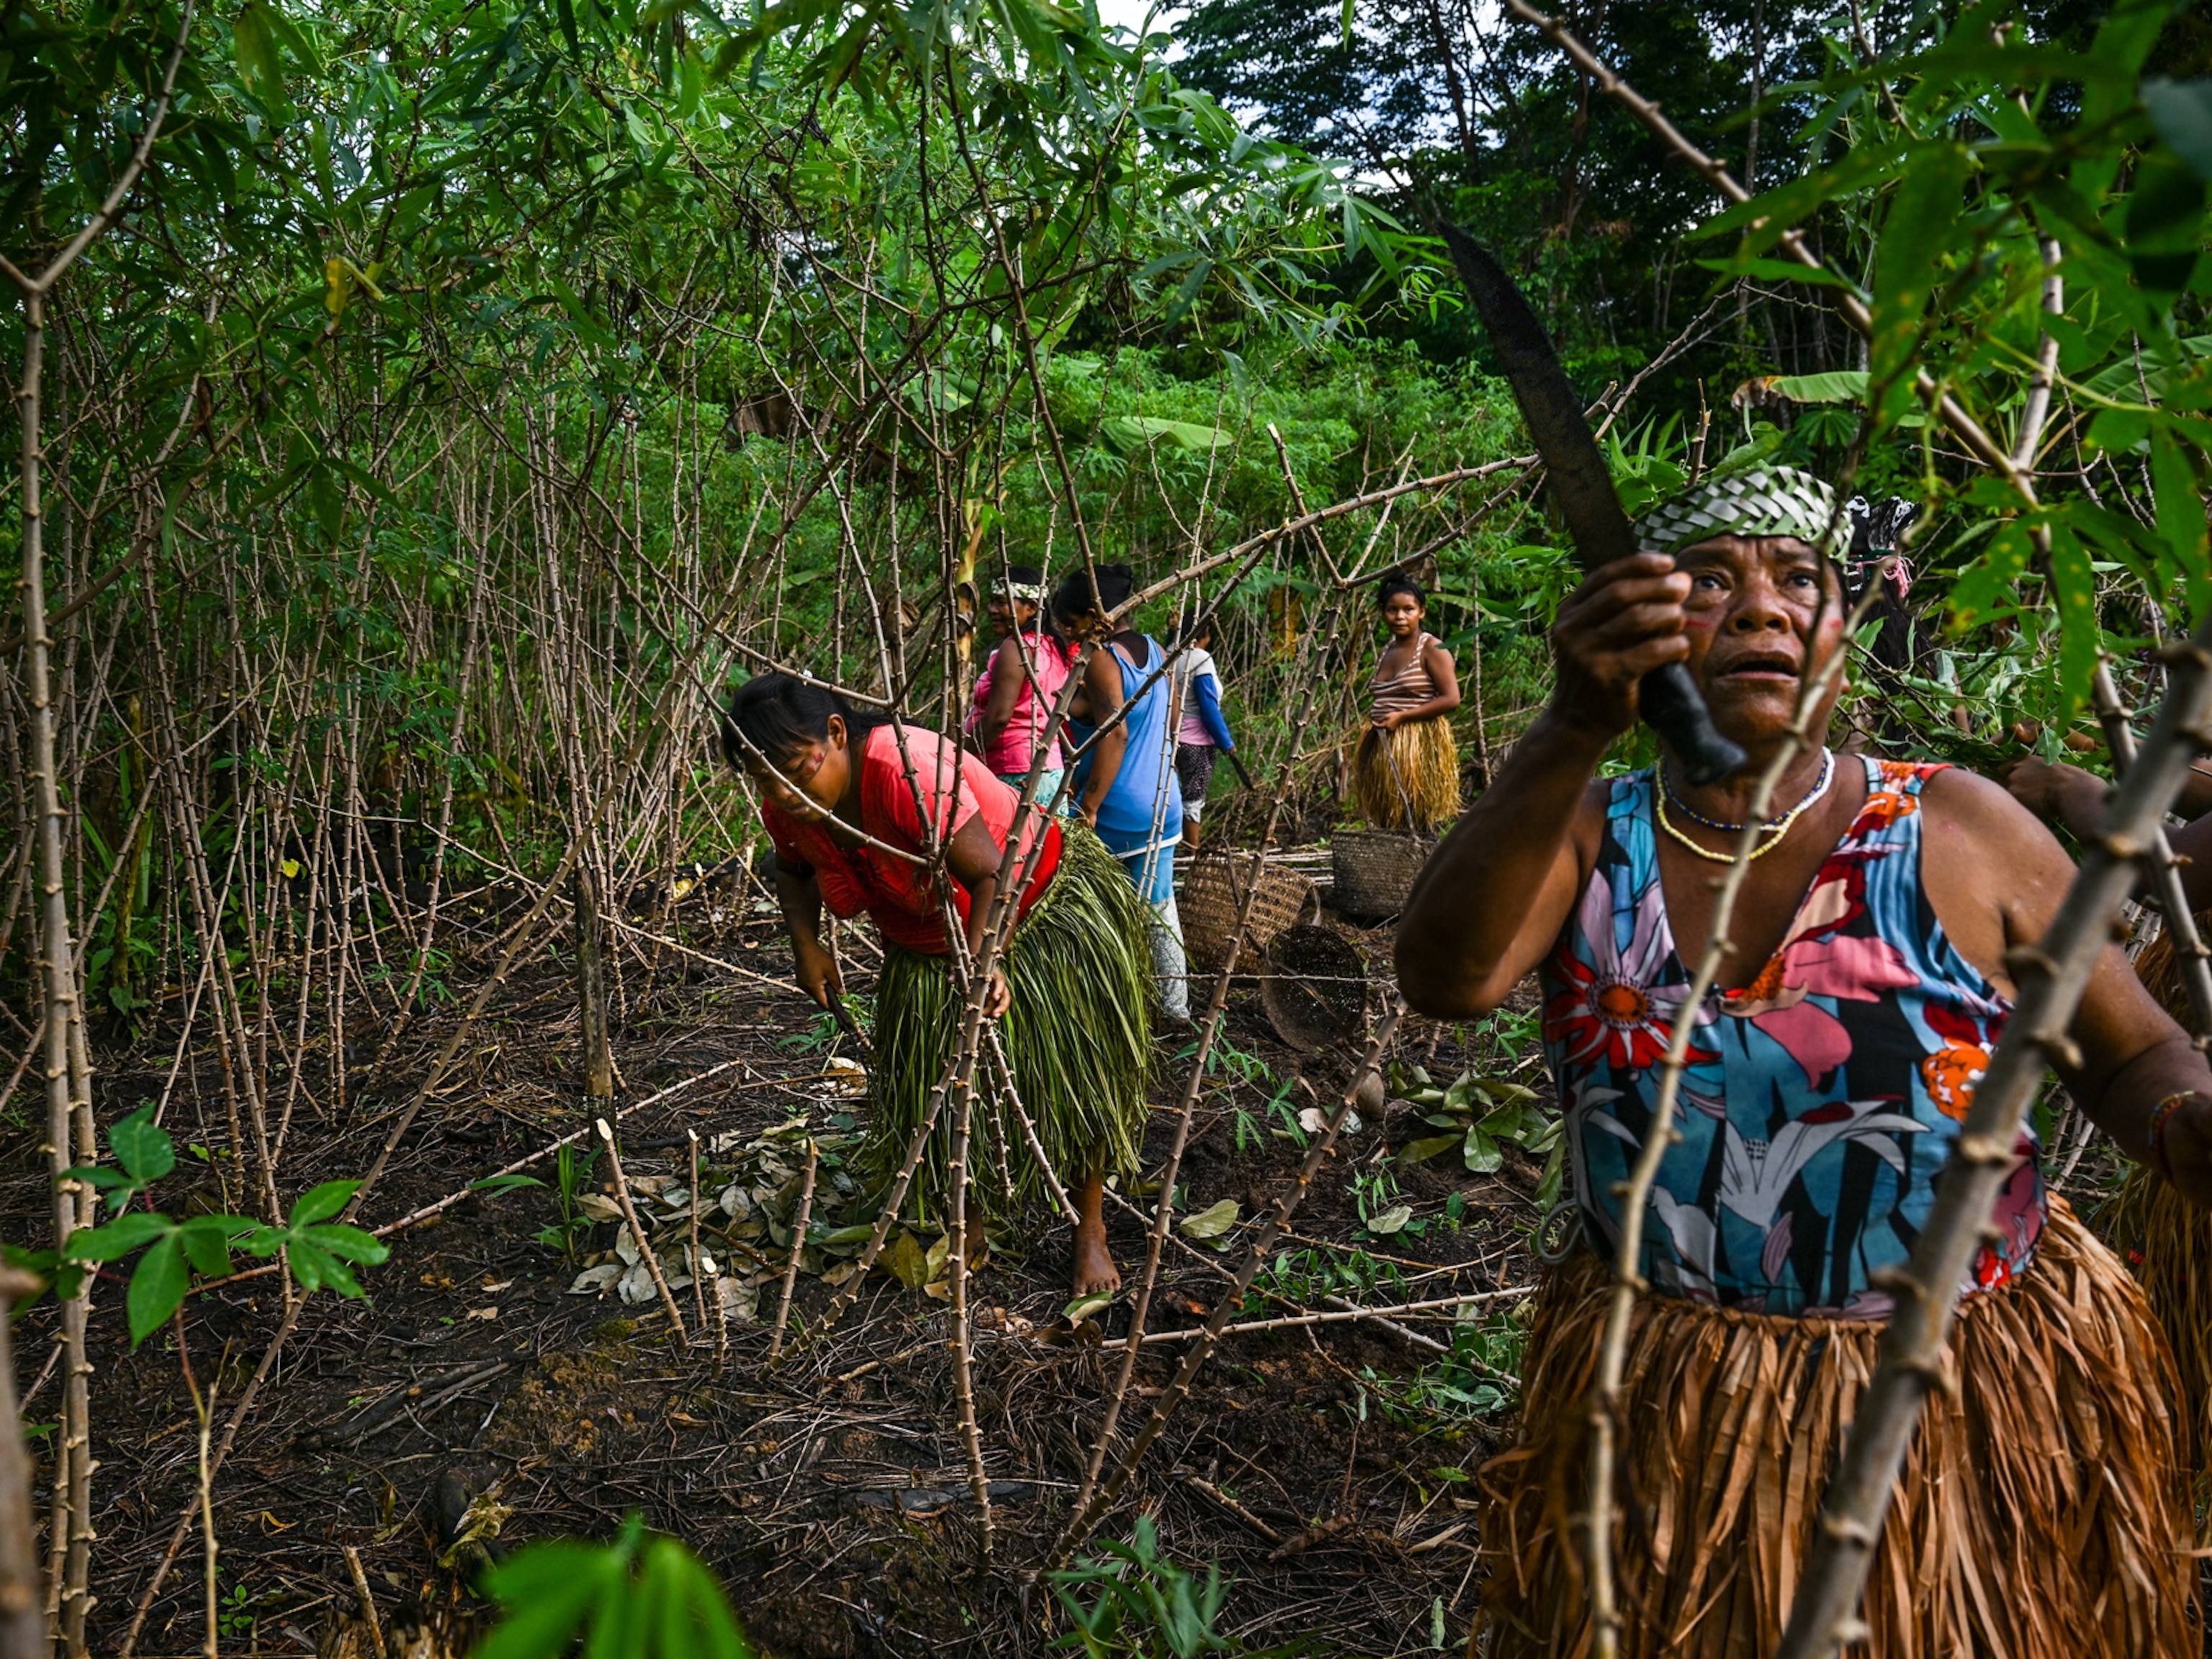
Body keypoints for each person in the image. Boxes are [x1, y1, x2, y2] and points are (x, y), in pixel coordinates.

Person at [1393, 465, 2212, 1658]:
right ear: (1640, 629)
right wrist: (1570, 725)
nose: (1761, 609)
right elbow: (1444, 976)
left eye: (1797, 581)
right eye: (1710, 581)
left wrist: (2183, 1116)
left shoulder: (1958, 826)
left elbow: (2131, 1047)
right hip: (1670, 1405)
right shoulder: (1585, 830)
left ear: (1840, 629)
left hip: (1948, 1402)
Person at [721, 674, 1156, 1296]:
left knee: (1078, 1084)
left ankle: (1089, 1230)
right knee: (948, 1093)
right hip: (923, 951)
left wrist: (985, 962)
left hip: (1033, 913)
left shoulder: (907, 772)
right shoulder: (787, 806)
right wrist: (808, 946)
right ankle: (968, 1221)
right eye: (763, 779)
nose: (782, 792)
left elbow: (990, 876)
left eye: (794, 769)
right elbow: (791, 870)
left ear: (836, 735)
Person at [1054, 563, 1192, 1021]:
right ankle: (1175, 1011)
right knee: (1159, 909)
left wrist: (1088, 806)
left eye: (1073, 625)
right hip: (1162, 800)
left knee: (1102, 915)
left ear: (1097, 618)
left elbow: (1113, 733)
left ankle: (1111, 1012)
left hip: (1117, 811)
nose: (1069, 634)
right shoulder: (1156, 651)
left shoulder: (1100, 658)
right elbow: (1171, 721)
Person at [1354, 576, 1462, 832]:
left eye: (1408, 609)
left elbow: (1451, 699)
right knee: (1388, 816)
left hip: (1416, 743)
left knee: (1416, 812)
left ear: (1421, 612)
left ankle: (1422, 863)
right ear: (1383, 613)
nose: (1400, 616)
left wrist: (1403, 718)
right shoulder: (1386, 651)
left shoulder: (1433, 648)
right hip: (1384, 745)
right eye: (1392, 610)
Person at [969, 565, 1075, 810]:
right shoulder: (1053, 647)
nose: (992, 610)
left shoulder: (1016, 648)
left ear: (1032, 608)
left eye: (1002, 603)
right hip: (1049, 770)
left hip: (1014, 773)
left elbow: (998, 717)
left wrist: (958, 754)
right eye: (992, 602)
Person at [1167, 614, 1236, 852]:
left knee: (1170, 794)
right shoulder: (1200, 659)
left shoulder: (1169, 654)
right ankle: (1191, 850)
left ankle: (1171, 848)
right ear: (1204, 634)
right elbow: (1208, 706)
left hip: (1169, 737)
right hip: (1196, 742)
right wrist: (1225, 741)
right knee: (1193, 799)